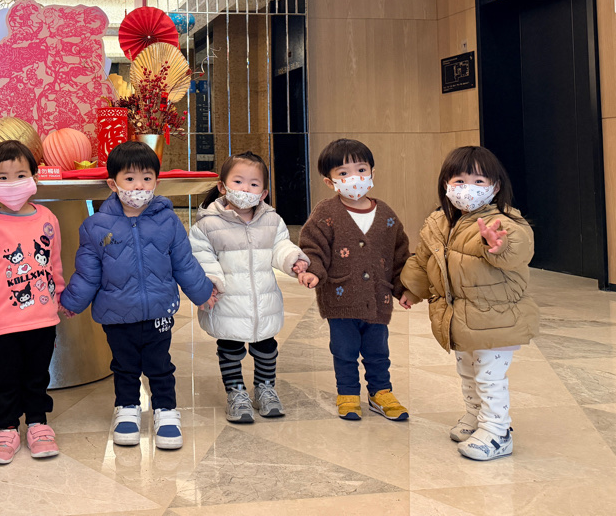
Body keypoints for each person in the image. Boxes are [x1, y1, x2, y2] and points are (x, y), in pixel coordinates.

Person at [60, 141, 217, 450]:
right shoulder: (95, 227)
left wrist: (202, 293)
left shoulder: (168, 221)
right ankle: (127, 409)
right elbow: (88, 273)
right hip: (116, 314)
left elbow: (184, 263)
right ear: (113, 183)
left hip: (159, 310)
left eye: (146, 178)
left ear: (156, 181)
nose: (139, 186)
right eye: (130, 178)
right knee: (124, 366)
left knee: (160, 365)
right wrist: (72, 302)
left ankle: (165, 411)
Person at [400, 146, 538, 461]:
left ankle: (498, 432)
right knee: (468, 371)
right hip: (460, 318)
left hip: (496, 319)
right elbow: (423, 261)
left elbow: (518, 248)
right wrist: (411, 289)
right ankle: (476, 417)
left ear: (495, 187)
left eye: (478, 181)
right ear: (446, 185)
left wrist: (499, 245)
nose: (468, 189)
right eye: (459, 181)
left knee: (489, 377)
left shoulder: (503, 222)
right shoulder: (438, 222)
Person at [189, 152, 310, 423]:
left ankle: (265, 388)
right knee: (230, 348)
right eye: (238, 181)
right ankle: (236, 392)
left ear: (263, 192)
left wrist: (294, 260)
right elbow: (201, 257)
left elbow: (281, 246)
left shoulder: (272, 221)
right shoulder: (207, 225)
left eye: (254, 184)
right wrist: (210, 284)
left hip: (263, 302)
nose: (245, 189)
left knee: (267, 346)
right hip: (227, 302)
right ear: (222, 186)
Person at [297, 138, 411, 422]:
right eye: (344, 173)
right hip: (340, 297)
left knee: (378, 350)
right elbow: (313, 247)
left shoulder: (386, 214)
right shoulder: (326, 213)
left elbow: (400, 254)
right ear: (330, 181)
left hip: (378, 298)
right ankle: (347, 393)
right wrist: (312, 271)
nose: (355, 178)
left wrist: (404, 288)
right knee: (344, 350)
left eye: (361, 170)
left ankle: (380, 392)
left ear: (372, 173)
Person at [0, 140, 65, 464]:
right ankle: (6, 427)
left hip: (43, 319)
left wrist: (60, 296)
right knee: (3, 379)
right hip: (3, 325)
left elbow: (54, 262)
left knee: (38, 376)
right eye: (3, 177)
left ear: (35, 177)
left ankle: (38, 423)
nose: (12, 183)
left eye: (20, 175)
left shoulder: (47, 218)